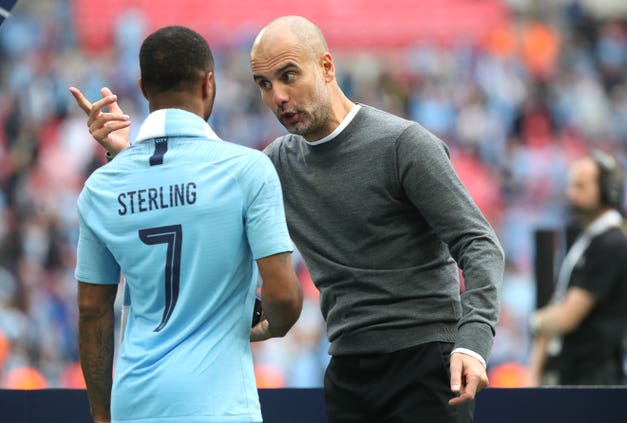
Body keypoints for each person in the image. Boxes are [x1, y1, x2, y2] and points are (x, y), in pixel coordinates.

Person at [73, 16, 504, 423]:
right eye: (264, 83)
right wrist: (127, 158)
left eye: (288, 76)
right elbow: (191, 193)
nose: (276, 96)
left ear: (327, 66)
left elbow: (479, 243)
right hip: (346, 369)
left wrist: (474, 342)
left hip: (425, 361)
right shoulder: (273, 163)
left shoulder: (403, 144)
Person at [72, 25, 302, 423]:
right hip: (219, 406)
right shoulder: (247, 169)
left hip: (134, 402)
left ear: (143, 88)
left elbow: (92, 310)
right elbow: (284, 297)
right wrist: (268, 327)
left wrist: (101, 415)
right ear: (208, 83)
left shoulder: (102, 186)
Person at [528, 150, 627, 386]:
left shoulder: (612, 244)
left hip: (597, 378)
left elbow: (568, 316)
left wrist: (536, 321)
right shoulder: (589, 238)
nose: (570, 194)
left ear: (608, 190)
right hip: (579, 373)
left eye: (580, 186)